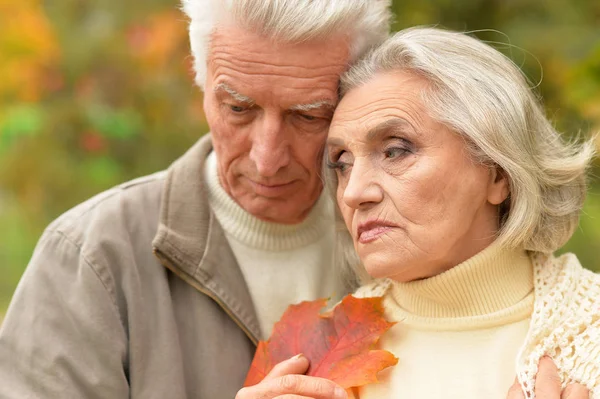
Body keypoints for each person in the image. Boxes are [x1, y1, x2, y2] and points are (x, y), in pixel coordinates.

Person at [0, 2, 392, 398]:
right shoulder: (90, 257)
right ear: (200, 78)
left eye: (308, 116)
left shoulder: (412, 239)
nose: (267, 159)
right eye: (238, 108)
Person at [325, 26, 598, 398]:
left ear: (498, 172)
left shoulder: (589, 335)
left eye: (394, 151)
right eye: (341, 162)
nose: (354, 191)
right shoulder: (316, 352)